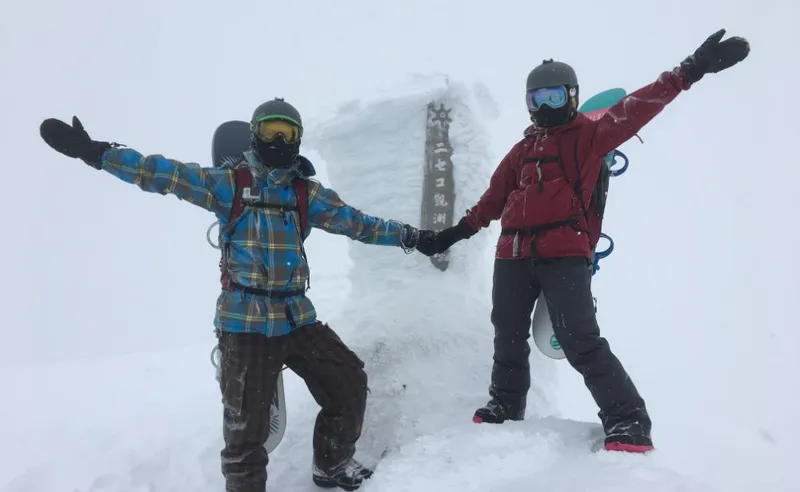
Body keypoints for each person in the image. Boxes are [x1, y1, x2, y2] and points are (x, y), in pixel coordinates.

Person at [39, 98, 438, 492]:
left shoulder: (306, 194)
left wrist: (414, 237)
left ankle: (331, 465)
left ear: (298, 139)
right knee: (246, 435)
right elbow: (161, 173)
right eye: (270, 131)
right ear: (254, 135)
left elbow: (360, 224)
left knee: (348, 382)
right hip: (245, 322)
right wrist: (98, 153)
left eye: (287, 132)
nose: (279, 140)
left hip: (297, 318)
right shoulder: (229, 184)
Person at [422, 29, 750, 452]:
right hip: (513, 255)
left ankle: (628, 420)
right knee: (507, 333)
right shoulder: (521, 151)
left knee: (579, 339)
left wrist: (688, 71)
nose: (544, 107)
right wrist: (452, 235)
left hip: (563, 254)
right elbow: (491, 201)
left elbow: (636, 108)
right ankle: (506, 404)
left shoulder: (590, 137)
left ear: (572, 97)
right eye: (536, 99)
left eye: (554, 97)